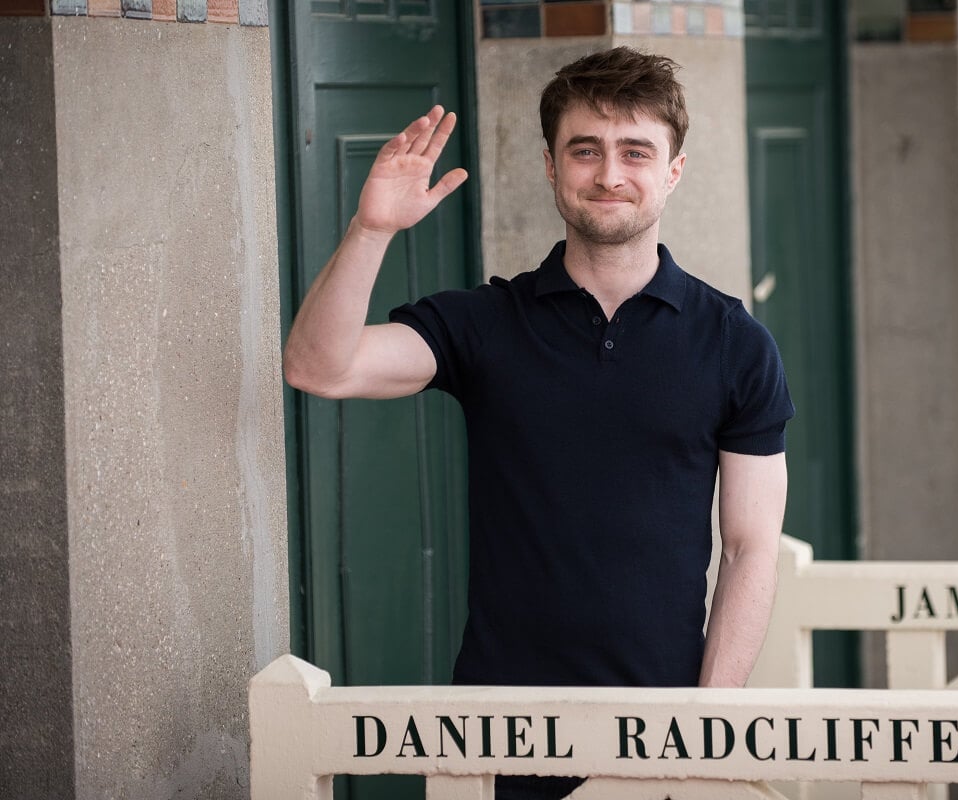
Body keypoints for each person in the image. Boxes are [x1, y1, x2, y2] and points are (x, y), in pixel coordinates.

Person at [283, 46, 792, 800]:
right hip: (496, 729)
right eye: (584, 150)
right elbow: (319, 367)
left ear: (673, 171)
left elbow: (751, 548)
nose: (609, 174)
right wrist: (371, 230)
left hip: (661, 729)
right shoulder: (487, 324)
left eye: (635, 152)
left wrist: (706, 726)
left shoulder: (734, 344)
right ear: (552, 168)